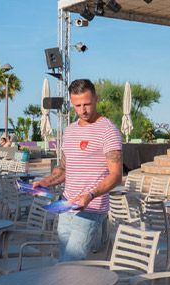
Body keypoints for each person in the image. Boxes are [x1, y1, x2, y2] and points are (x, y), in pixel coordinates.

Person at [32, 79, 123, 262]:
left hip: (90, 208)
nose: (83, 110)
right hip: (66, 206)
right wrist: (45, 181)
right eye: (78, 105)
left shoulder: (108, 131)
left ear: (96, 99)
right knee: (65, 262)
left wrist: (89, 196)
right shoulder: (70, 130)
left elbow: (116, 176)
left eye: (87, 104)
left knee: (69, 264)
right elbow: (64, 168)